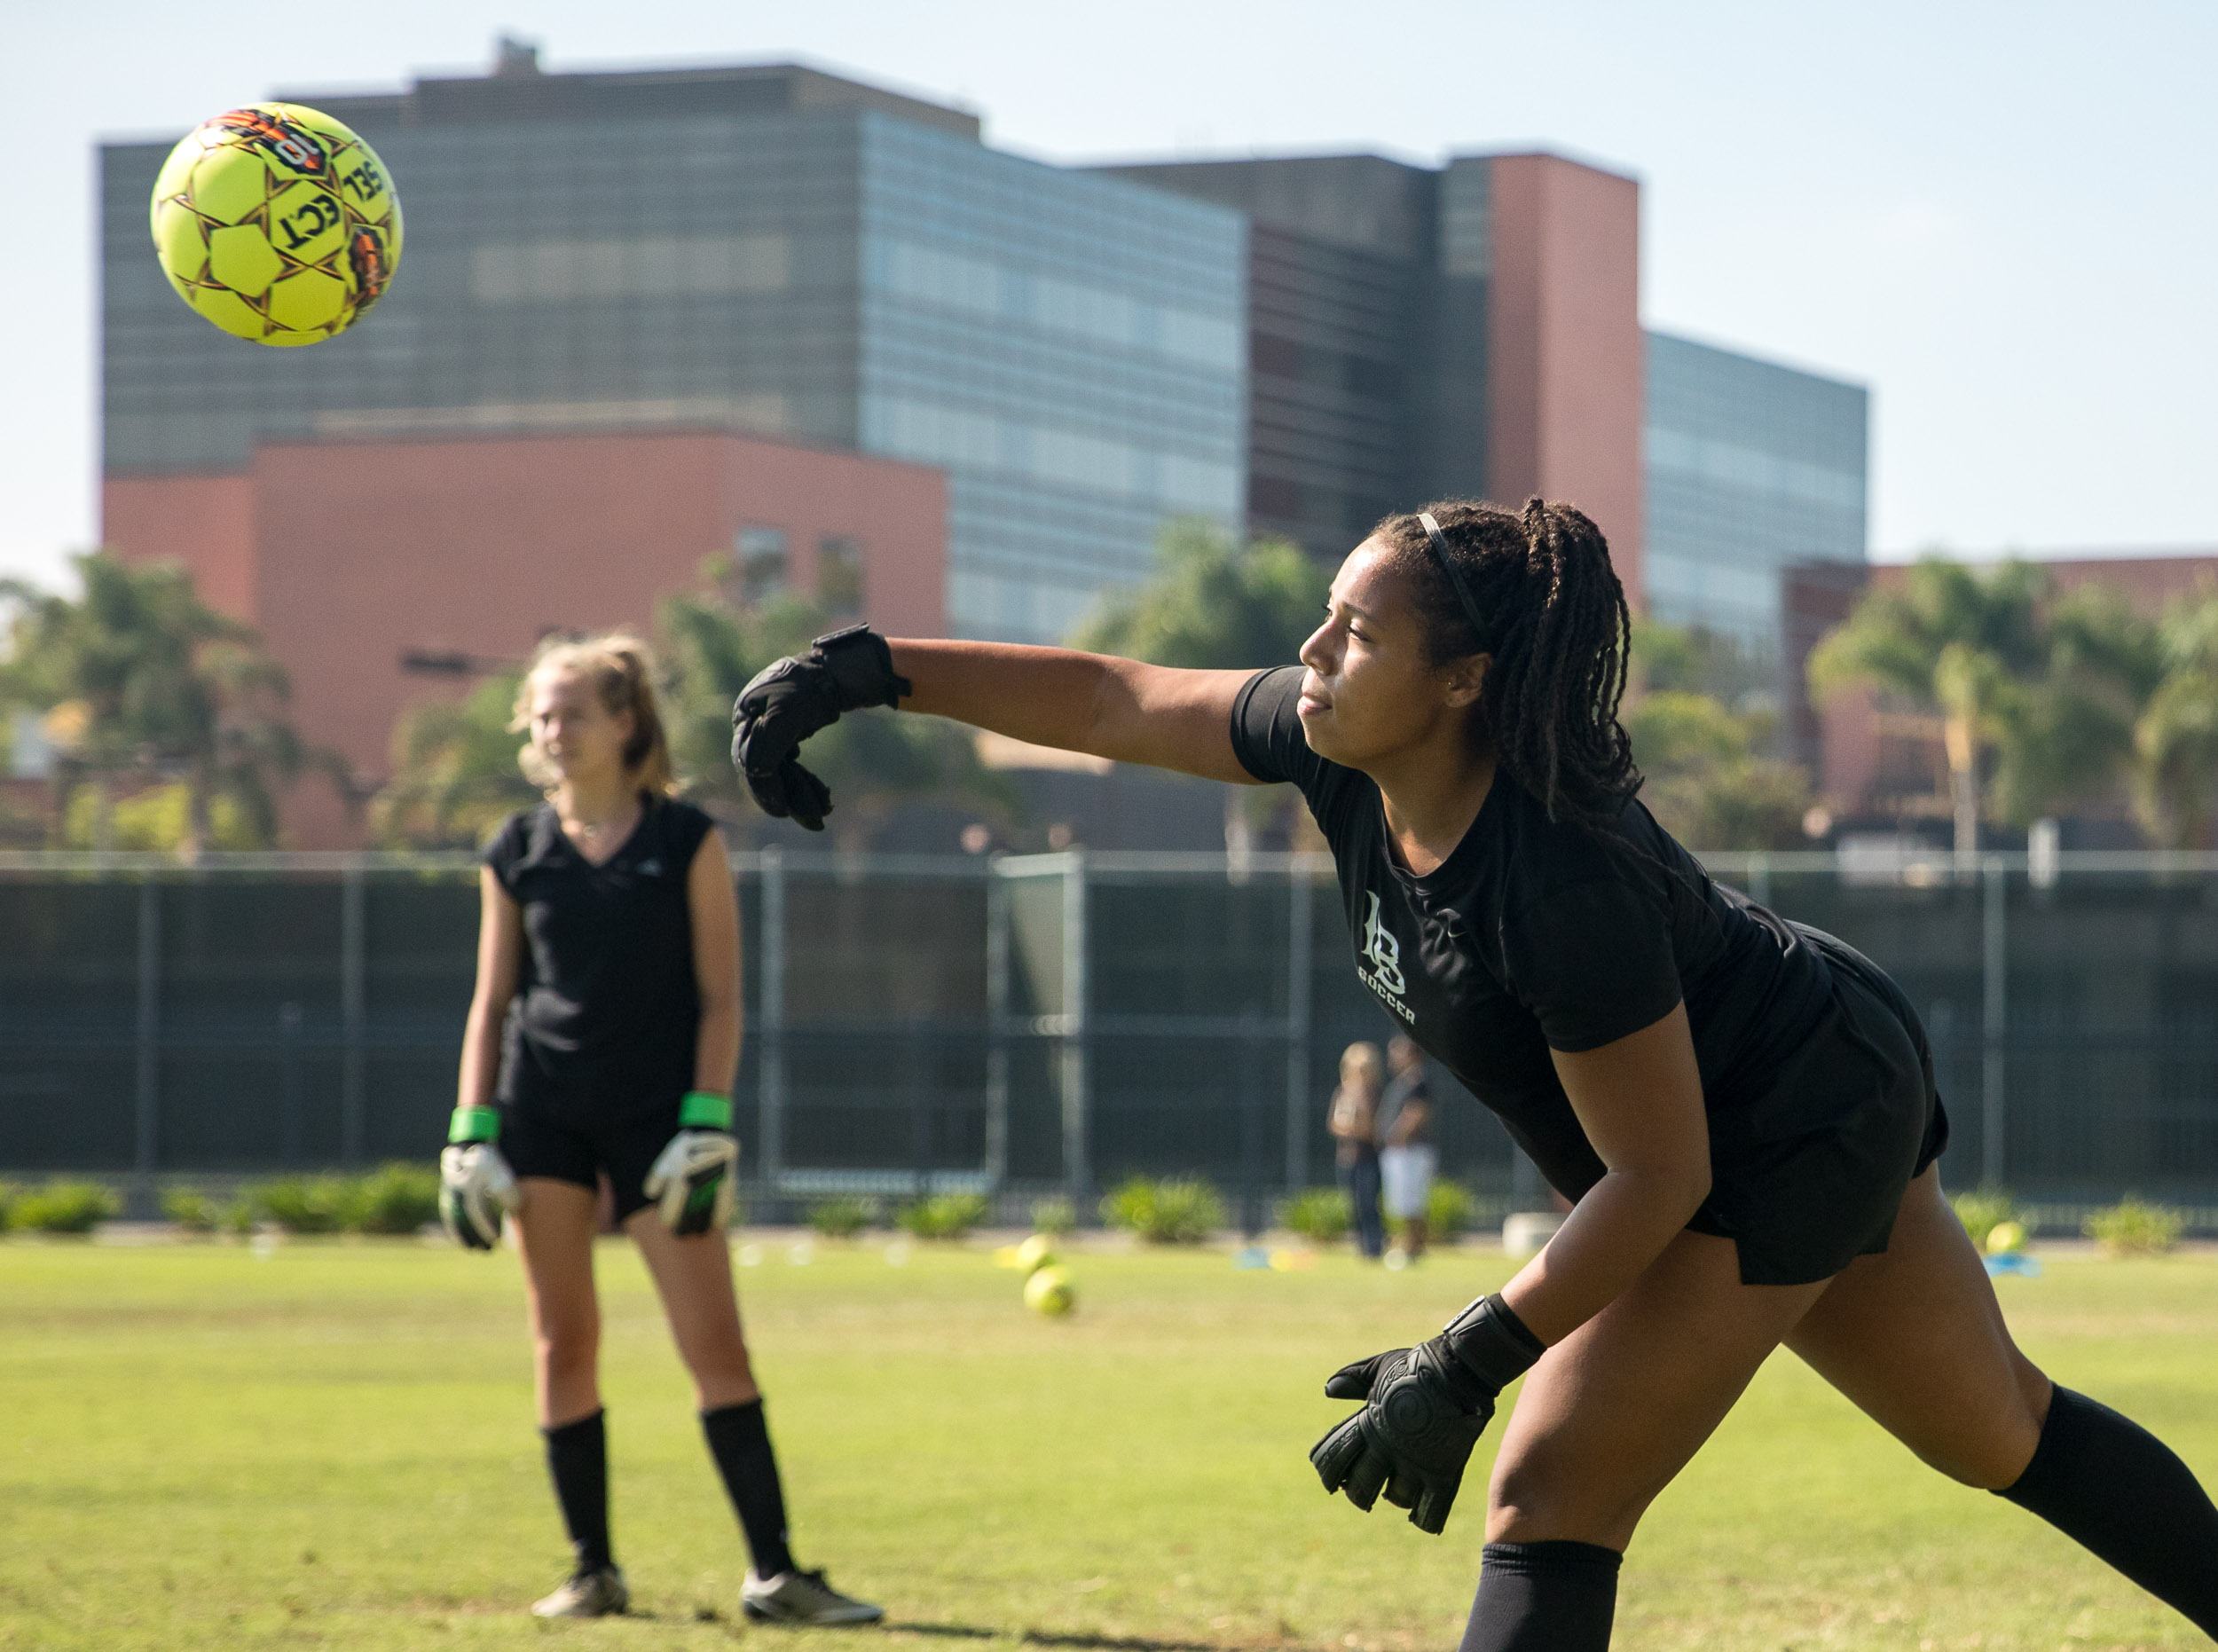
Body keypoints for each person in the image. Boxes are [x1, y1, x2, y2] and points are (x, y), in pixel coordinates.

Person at [730, 520, 2218, 1649]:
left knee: (1549, 1486)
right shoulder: (1339, 755)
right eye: (1324, 620)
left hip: (1789, 1114)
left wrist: (1461, 1358)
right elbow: (1122, 698)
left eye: (1353, 633)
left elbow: (1661, 1179)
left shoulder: (1556, 879)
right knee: (1997, 1428)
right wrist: (872, 672)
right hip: (1781, 1076)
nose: (1311, 652)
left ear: (1462, 682)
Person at [439, 632, 880, 1625]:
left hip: (658, 1126)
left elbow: (721, 1000)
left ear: (626, 721)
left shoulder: (686, 840)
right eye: (542, 716)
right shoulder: (514, 848)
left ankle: (777, 1572)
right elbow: (490, 1002)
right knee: (562, 1344)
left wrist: (706, 1122)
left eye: (574, 713)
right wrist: (471, 1131)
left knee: (714, 1348)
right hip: (541, 1116)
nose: (554, 732)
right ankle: (592, 1568)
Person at [1379, 1035, 1436, 1262]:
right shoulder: (1402, 1081)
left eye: (1398, 1052)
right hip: (1400, 1152)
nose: (1393, 1057)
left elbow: (1416, 1112)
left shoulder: (1418, 1081)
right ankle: (1409, 1247)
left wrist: (1397, 1136)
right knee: (1402, 1203)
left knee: (1412, 1202)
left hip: (1411, 1151)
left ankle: (1412, 1248)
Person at [1328, 1042, 1387, 1259]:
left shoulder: (1376, 1094)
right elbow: (1333, 1123)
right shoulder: (1342, 1092)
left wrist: (1357, 1119)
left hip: (1369, 1157)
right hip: (1347, 1157)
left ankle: (1374, 1247)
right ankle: (1360, 1245)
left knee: (1369, 1202)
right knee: (1353, 1204)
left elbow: (1372, 1129)